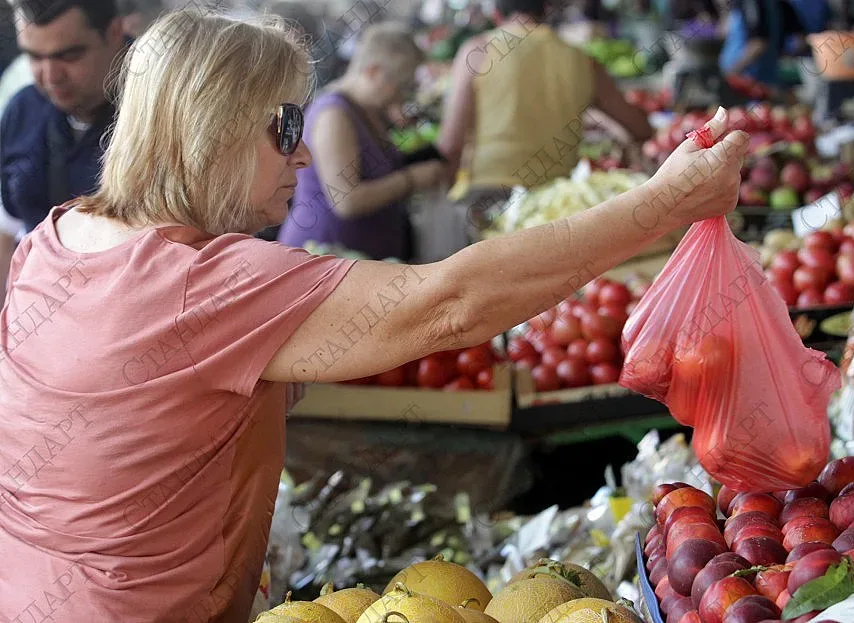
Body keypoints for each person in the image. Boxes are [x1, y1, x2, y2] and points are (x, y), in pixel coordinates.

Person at [0, 7, 748, 622]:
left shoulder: (51, 241)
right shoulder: (205, 283)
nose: (300, 158)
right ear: (213, 127)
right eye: (285, 126)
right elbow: (450, 303)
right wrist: (662, 203)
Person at [437, 0, 654, 221]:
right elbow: (639, 128)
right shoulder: (581, 59)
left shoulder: (478, 51)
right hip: (556, 204)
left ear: (496, 13)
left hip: (489, 199)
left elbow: (450, 146)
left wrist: (446, 202)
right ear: (546, 8)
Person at [277, 23, 446, 261]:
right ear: (373, 72)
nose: (401, 95)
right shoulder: (333, 115)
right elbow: (346, 200)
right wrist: (412, 179)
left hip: (360, 258)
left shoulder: (368, 110)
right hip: (326, 254)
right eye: (401, 85)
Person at [0, 0, 128, 294]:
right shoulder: (23, 108)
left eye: (69, 55)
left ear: (115, 32)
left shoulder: (166, 112)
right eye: (33, 56)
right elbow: (7, 230)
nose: (50, 76)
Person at [718, 0, 829, 84]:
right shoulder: (776, 4)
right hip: (759, 76)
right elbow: (801, 38)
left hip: (749, 80)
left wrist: (732, 72)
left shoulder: (753, 4)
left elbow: (759, 43)